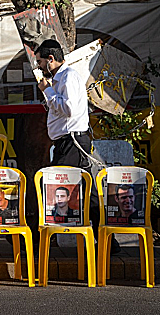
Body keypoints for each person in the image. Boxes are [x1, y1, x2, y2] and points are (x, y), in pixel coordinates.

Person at [35, 39, 116, 249]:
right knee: (81, 188)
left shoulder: (68, 76)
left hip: (72, 140)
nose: (39, 67)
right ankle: (107, 238)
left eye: (41, 62)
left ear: (51, 59)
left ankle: (41, 237)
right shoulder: (60, 78)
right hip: (67, 141)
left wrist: (47, 90)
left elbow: (68, 108)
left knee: (52, 183)